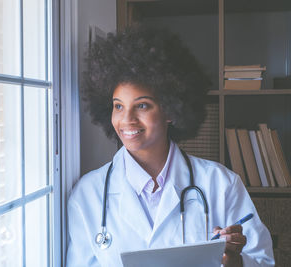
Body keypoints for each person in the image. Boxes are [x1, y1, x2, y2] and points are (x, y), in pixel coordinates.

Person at [66, 25, 274, 267]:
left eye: (142, 105)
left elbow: (264, 262)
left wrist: (235, 261)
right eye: (118, 106)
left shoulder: (222, 184)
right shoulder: (88, 194)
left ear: (170, 110)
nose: (127, 120)